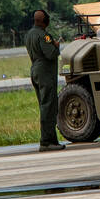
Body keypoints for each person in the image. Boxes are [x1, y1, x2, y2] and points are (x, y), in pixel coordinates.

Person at [25, 9, 65, 152]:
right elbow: (51, 54)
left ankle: (49, 140)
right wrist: (56, 46)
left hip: (35, 69)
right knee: (48, 107)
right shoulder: (44, 36)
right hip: (45, 72)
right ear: (44, 21)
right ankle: (47, 141)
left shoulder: (29, 34)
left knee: (44, 105)